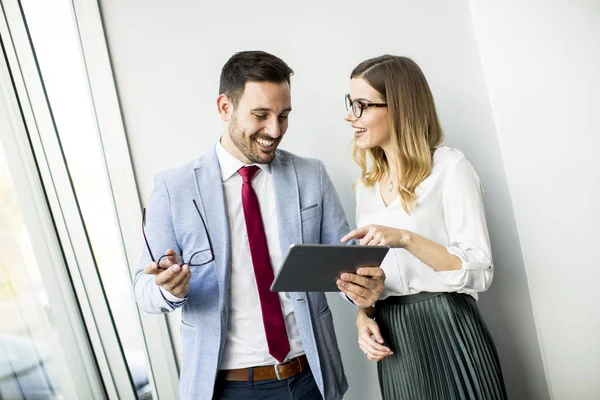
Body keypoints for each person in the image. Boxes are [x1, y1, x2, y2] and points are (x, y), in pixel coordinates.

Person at [132, 50, 385, 400]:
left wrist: (361, 286)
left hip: (310, 377)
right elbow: (143, 289)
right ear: (225, 107)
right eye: (261, 115)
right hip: (228, 388)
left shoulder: (310, 175)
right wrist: (166, 288)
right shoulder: (173, 188)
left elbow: (346, 262)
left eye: (283, 116)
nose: (274, 130)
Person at [339, 55, 507, 400]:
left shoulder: (449, 168)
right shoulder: (367, 186)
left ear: (399, 108)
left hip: (448, 325)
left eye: (362, 106)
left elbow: (480, 269)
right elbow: (377, 278)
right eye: (350, 104)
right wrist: (363, 315)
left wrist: (405, 238)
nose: (350, 116)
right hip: (395, 336)